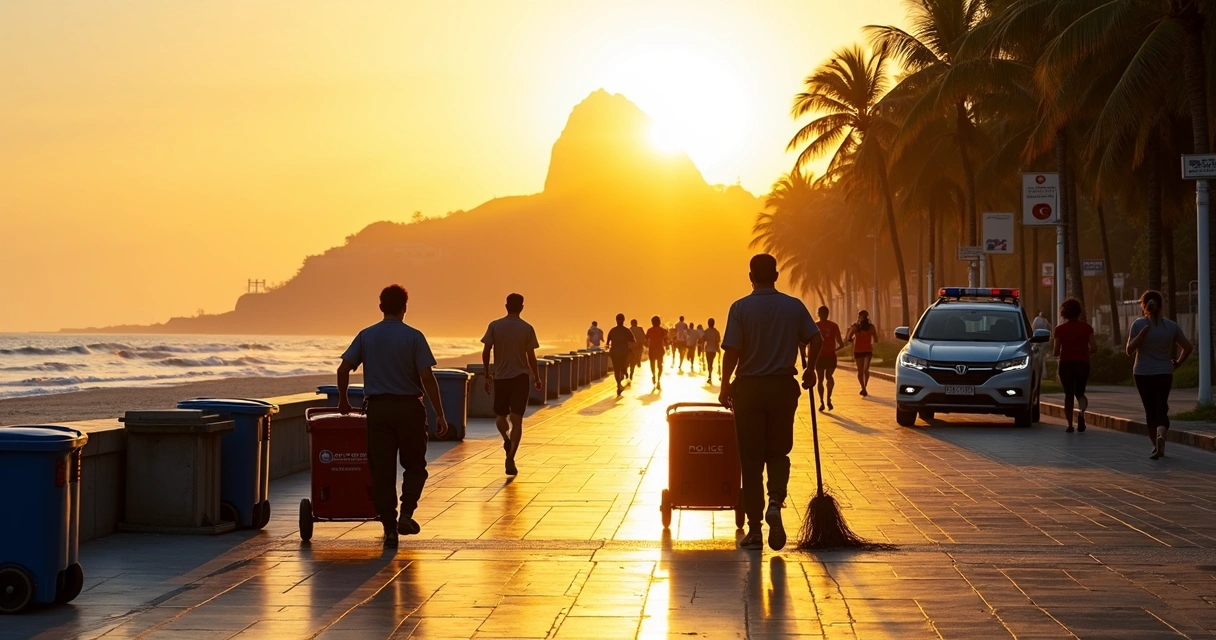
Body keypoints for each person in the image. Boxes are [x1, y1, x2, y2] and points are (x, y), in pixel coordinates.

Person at [720, 254, 821, 551]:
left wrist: (725, 385)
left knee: (750, 461)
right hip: (782, 388)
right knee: (779, 451)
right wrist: (811, 368)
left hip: (749, 388)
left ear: (750, 276)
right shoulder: (794, 307)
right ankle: (775, 500)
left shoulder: (740, 308)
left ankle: (754, 529)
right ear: (776, 275)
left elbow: (732, 352)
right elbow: (816, 340)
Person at [337, 284, 449, 547]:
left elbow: (343, 369)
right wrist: (440, 414)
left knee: (382, 471)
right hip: (410, 409)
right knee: (415, 465)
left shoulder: (366, 336)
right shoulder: (414, 337)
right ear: (404, 308)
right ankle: (407, 513)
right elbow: (427, 377)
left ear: (380, 307)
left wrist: (343, 399)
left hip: (378, 410)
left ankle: (389, 529)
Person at [1126, 290, 1192, 459]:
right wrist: (1177, 363)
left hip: (1142, 372)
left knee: (1150, 410)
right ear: (1161, 306)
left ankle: (1156, 445)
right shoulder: (1171, 326)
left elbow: (1129, 350)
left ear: (1143, 305)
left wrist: (1141, 336)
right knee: (1161, 406)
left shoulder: (1139, 324)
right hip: (1164, 371)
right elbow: (1188, 347)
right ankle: (1161, 435)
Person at [482, 293, 542, 476]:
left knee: (501, 416)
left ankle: (505, 438)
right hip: (520, 378)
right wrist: (537, 377)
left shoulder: (495, 326)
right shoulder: (527, 328)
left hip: (501, 378)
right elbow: (531, 356)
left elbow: (486, 351)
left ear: (506, 306)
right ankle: (511, 457)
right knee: (517, 420)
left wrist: (486, 374)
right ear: (521, 307)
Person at [1054, 297, 1097, 433]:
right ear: (1079, 312)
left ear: (1064, 313)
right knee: (1080, 392)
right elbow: (1094, 348)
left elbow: (1055, 351)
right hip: (1083, 363)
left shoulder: (1059, 330)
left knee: (1068, 394)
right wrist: (1084, 351)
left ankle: (1070, 425)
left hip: (1066, 363)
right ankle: (1081, 413)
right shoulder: (1087, 328)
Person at [813, 305, 846, 411]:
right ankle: (825, 400)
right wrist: (833, 350)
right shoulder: (833, 326)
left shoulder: (815, 326)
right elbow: (841, 344)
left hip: (822, 357)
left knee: (822, 379)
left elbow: (810, 342)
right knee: (827, 377)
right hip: (827, 356)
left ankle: (825, 401)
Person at [845, 310, 878, 397]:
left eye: (863, 316)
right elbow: (848, 337)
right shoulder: (856, 327)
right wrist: (852, 336)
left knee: (865, 370)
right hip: (858, 350)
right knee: (860, 372)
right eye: (860, 317)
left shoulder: (871, 327)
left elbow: (876, 338)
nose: (861, 318)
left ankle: (864, 387)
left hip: (867, 350)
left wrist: (873, 342)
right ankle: (863, 388)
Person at [605, 313, 635, 396]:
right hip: (624, 353)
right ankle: (624, 376)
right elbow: (633, 340)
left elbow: (607, 343)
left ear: (616, 320)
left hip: (614, 353)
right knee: (623, 367)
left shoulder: (612, 330)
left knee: (616, 370)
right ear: (624, 320)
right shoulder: (626, 330)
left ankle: (619, 385)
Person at [646, 316, 668, 389]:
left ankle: (654, 376)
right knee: (660, 365)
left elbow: (646, 340)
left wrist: (646, 345)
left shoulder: (649, 330)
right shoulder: (662, 330)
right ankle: (658, 380)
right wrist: (667, 346)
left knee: (652, 365)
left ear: (652, 322)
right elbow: (665, 339)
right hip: (659, 349)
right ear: (659, 322)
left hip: (652, 349)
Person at [703, 318, 721, 385]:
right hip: (714, 350)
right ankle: (710, 375)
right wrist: (718, 350)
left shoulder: (706, 331)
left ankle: (710, 375)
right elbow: (717, 342)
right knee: (711, 362)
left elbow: (703, 340)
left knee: (709, 363)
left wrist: (702, 349)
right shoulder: (716, 332)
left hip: (708, 349)